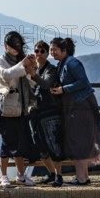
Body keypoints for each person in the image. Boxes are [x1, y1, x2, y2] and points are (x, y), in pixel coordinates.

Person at [49, 37, 100, 186]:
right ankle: (83, 177)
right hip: (77, 106)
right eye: (51, 49)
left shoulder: (72, 63)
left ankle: (81, 178)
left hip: (81, 106)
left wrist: (63, 89)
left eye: (55, 49)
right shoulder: (63, 63)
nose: (52, 52)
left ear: (63, 50)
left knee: (78, 140)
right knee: (81, 140)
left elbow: (83, 81)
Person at [0, 31, 39, 188]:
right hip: (6, 103)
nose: (16, 49)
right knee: (7, 139)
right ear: (6, 46)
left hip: (21, 104)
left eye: (18, 46)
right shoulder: (0, 60)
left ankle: (21, 175)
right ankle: (3, 176)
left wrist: (32, 68)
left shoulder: (22, 60)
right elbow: (5, 75)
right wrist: (23, 65)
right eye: (13, 46)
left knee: (20, 140)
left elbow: (31, 82)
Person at [25, 40, 64, 187]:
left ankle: (59, 175)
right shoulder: (31, 69)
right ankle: (52, 173)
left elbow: (46, 84)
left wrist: (32, 73)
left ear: (47, 54)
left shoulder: (51, 69)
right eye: (37, 51)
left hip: (49, 112)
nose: (39, 54)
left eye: (42, 51)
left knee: (54, 144)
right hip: (35, 112)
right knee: (39, 145)